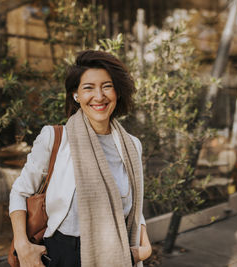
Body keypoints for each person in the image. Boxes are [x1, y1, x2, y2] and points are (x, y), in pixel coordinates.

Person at [9, 50, 152, 267]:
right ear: (76, 95)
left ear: (118, 92)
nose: (99, 96)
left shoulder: (132, 146)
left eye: (107, 86)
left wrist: (145, 246)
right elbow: (20, 192)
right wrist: (22, 244)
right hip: (62, 254)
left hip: (116, 253)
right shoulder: (55, 138)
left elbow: (134, 206)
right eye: (88, 88)